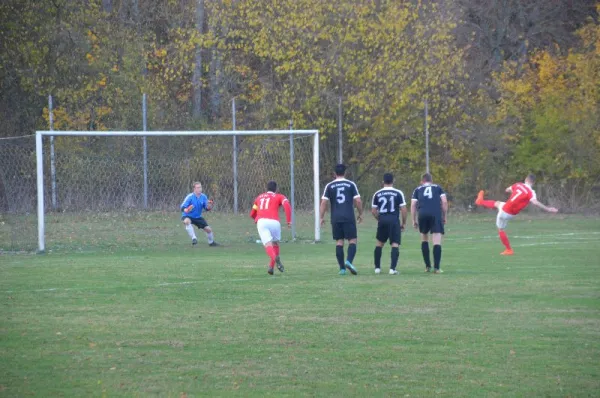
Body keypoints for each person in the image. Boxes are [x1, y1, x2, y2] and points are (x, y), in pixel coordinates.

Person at [475, 174, 558, 255]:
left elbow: (507, 190)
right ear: (533, 183)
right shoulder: (531, 192)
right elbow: (535, 202)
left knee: (500, 229)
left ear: (526, 179)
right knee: (498, 203)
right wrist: (548, 209)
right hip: (511, 212)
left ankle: (509, 250)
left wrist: (514, 190)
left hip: (505, 212)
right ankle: (481, 201)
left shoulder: (518, 184)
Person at [319, 164, 363, 275]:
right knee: (352, 240)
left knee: (339, 242)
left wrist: (321, 217)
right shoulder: (350, 184)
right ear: (345, 172)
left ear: (334, 173)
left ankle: (342, 269)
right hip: (348, 216)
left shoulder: (329, 185)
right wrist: (360, 213)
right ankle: (348, 261)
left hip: (336, 217)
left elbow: (324, 202)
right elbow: (358, 201)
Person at [250, 180, 292, 275]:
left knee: (268, 245)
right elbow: (287, 206)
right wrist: (289, 221)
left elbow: (252, 213)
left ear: (266, 188)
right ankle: (271, 267)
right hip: (275, 222)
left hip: (262, 222)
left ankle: (275, 258)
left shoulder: (259, 197)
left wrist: (256, 219)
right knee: (275, 244)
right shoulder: (279, 196)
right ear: (275, 189)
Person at [371, 173, 407, 275]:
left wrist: (380, 219)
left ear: (383, 182)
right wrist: (404, 222)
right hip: (394, 220)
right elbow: (404, 209)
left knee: (379, 243)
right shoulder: (398, 193)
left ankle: (377, 268)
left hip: (382, 220)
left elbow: (373, 211)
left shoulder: (377, 193)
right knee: (395, 243)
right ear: (393, 181)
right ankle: (392, 269)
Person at [411, 173, 448, 273]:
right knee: (436, 241)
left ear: (422, 181)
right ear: (431, 181)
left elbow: (413, 204)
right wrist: (444, 216)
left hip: (422, 214)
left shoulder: (417, 189)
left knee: (424, 239)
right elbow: (444, 202)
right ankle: (437, 268)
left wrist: (413, 220)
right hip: (435, 214)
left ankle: (427, 266)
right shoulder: (438, 188)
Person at [180, 181, 219, 246]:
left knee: (208, 229)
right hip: (188, 215)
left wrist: (209, 206)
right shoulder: (190, 197)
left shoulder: (203, 197)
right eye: (198, 187)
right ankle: (194, 238)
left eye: (200, 187)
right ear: (194, 189)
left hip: (197, 217)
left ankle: (211, 242)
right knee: (186, 221)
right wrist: (186, 209)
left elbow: (206, 208)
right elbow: (182, 207)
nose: (200, 189)